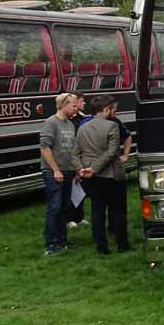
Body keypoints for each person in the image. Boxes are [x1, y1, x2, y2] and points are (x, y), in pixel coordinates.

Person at [74, 95, 130, 255]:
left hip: (92, 178)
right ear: (106, 110)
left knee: (97, 211)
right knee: (118, 211)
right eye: (114, 109)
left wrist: (82, 169)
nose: (115, 112)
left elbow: (74, 152)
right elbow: (112, 152)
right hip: (111, 176)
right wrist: (95, 168)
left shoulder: (82, 127)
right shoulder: (112, 126)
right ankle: (122, 244)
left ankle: (101, 247)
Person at [39, 92, 80, 256]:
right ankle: (50, 243)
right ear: (62, 105)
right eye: (73, 105)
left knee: (65, 207)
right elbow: (45, 148)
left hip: (68, 171)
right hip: (53, 172)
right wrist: (55, 169)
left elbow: (72, 150)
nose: (76, 108)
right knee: (54, 207)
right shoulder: (51, 123)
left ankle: (62, 240)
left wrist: (76, 169)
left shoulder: (70, 125)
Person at [65, 92, 91, 229]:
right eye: (81, 101)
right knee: (71, 189)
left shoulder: (83, 118)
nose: (83, 104)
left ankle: (79, 216)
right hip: (72, 158)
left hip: (81, 157)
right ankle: (69, 218)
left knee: (81, 188)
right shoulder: (69, 121)